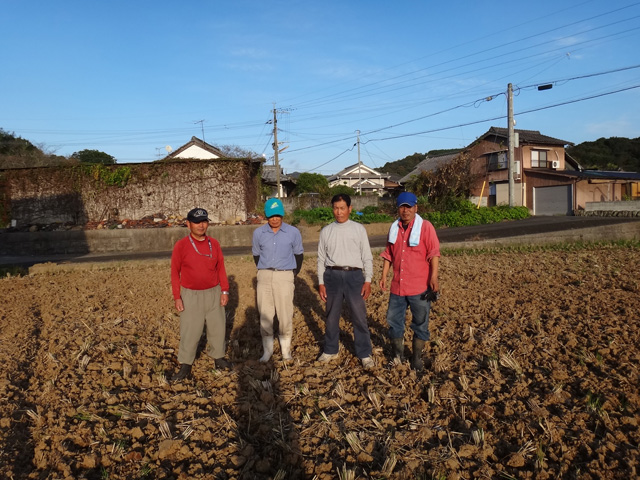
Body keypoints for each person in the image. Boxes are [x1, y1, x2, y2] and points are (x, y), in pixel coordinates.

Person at [379, 192, 440, 373]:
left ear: (416, 208)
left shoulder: (426, 227)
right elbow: (389, 254)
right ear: (397, 208)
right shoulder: (394, 228)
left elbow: (433, 253)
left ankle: (416, 358)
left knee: (420, 323)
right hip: (398, 286)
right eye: (402, 207)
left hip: (419, 287)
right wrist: (383, 276)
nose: (405, 210)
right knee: (394, 321)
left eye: (409, 207)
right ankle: (398, 356)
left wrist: (434, 277)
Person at [170, 208, 231, 381]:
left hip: (214, 292)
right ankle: (185, 365)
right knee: (190, 331)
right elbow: (175, 272)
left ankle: (218, 358)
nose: (201, 225)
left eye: (204, 221)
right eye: (197, 222)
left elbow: (220, 268)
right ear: (188, 224)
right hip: (191, 295)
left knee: (218, 327)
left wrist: (224, 290)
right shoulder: (181, 245)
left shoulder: (214, 243)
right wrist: (177, 296)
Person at [317, 193, 375, 369]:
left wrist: (368, 280)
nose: (339, 212)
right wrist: (321, 282)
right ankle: (330, 349)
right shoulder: (326, 231)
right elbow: (320, 258)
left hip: (354, 276)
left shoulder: (359, 229)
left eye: (342, 208)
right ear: (332, 209)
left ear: (350, 209)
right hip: (332, 276)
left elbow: (367, 256)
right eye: (336, 208)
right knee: (332, 316)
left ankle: (364, 353)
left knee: (359, 316)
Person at [252, 198, 304, 362]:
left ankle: (285, 351)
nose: (275, 219)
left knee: (285, 314)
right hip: (265, 275)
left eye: (277, 215)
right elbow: (256, 255)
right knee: (265, 313)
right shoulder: (258, 233)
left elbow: (299, 255)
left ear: (282, 215)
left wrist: (291, 275)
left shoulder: (293, 232)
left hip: (285, 275)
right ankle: (267, 352)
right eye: (271, 216)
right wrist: (264, 270)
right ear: (266, 216)